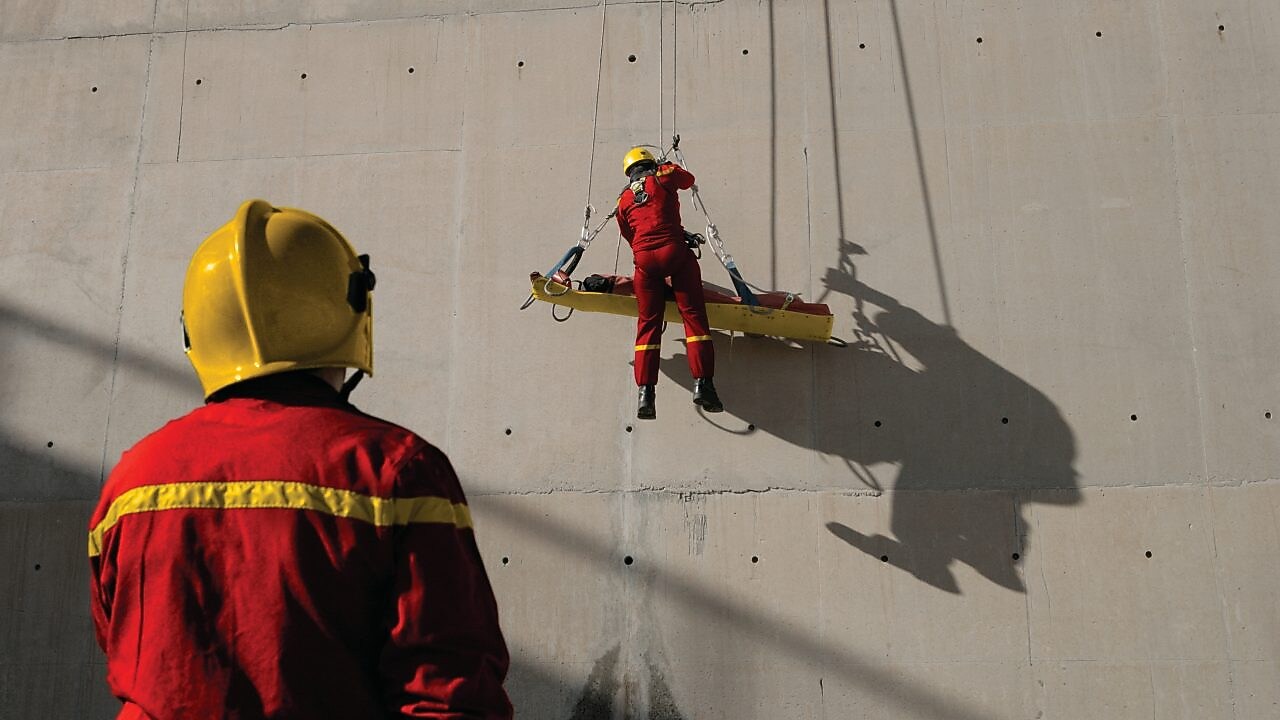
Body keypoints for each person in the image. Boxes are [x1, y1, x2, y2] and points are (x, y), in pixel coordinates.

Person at [87, 200, 512, 719]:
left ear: (194, 330)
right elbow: (448, 694)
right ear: (350, 308)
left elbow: (125, 647)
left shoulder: (132, 483)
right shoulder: (396, 472)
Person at [615, 146, 724, 419]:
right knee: (693, 317)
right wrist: (668, 165)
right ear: (651, 163)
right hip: (674, 252)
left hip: (644, 262)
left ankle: (646, 395)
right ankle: (703, 385)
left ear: (629, 172)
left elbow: (629, 235)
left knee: (648, 325)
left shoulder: (623, 200)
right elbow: (688, 179)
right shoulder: (664, 176)